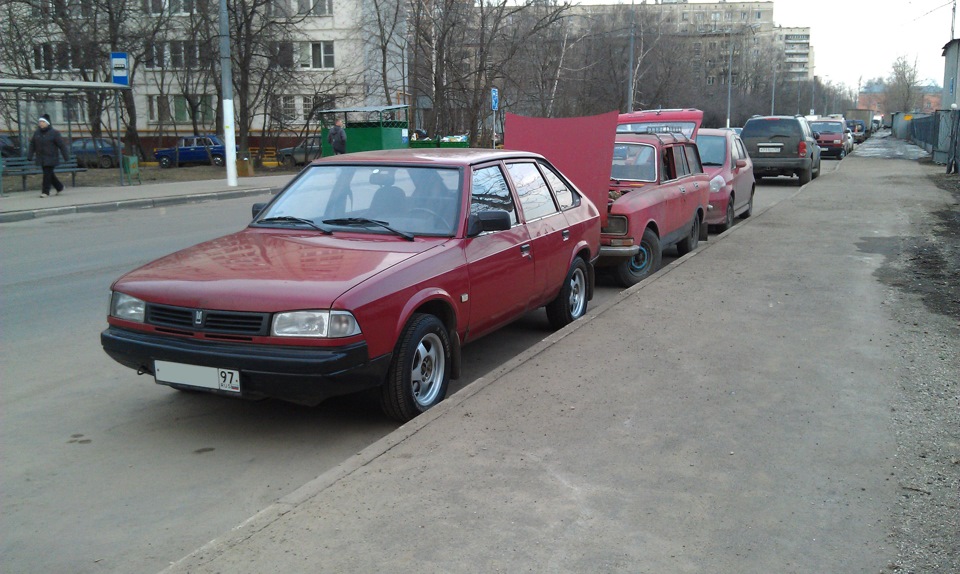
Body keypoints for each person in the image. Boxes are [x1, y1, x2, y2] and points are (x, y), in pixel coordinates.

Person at [27, 114, 70, 197]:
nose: (41, 123)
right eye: (40, 122)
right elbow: (32, 144)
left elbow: (61, 145)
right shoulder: (37, 133)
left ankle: (45, 192)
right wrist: (30, 156)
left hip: (51, 158)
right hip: (41, 158)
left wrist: (66, 156)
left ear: (47, 123)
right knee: (50, 174)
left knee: (47, 174)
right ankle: (59, 187)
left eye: (43, 122)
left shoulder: (54, 133)